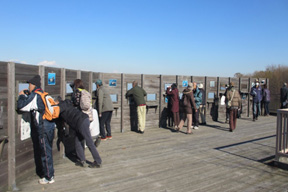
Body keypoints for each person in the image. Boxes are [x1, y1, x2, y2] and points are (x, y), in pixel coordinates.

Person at [17, 75, 56, 184]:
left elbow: (22, 106)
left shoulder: (35, 95)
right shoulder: (44, 94)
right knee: (48, 151)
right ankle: (50, 173)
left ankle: (49, 177)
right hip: (50, 126)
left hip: (43, 128)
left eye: (29, 84)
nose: (28, 87)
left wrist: (21, 96)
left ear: (33, 85)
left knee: (45, 152)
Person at [55, 98, 102, 168]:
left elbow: (58, 117)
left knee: (89, 142)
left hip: (80, 122)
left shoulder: (60, 107)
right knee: (77, 141)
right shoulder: (67, 103)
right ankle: (81, 160)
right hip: (82, 120)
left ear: (57, 102)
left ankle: (98, 161)